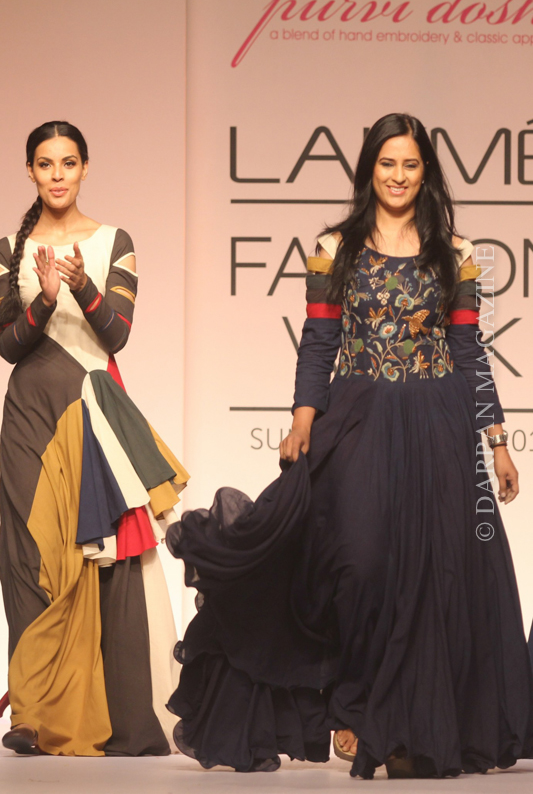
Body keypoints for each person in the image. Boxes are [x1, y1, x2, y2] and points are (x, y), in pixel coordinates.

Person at [165, 113, 533, 779]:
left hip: (436, 426)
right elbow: (319, 341)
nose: (398, 176)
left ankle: (400, 727)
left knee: (426, 580)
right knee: (359, 567)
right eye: (387, 163)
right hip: (358, 420)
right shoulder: (332, 249)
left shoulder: (457, 253)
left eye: (410, 164)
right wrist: (302, 418)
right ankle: (352, 700)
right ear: (369, 169)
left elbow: (469, 350)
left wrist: (497, 441)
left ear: (426, 172)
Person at [0, 121, 189, 757]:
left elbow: (117, 336)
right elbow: (7, 347)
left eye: (68, 162)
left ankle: (106, 712)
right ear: (30, 171)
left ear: (85, 168)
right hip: (29, 414)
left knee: (98, 556)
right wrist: (43, 300)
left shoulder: (114, 242)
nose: (57, 174)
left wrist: (81, 286)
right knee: (29, 556)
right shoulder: (9, 249)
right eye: (45, 163)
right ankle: (30, 715)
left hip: (93, 412)